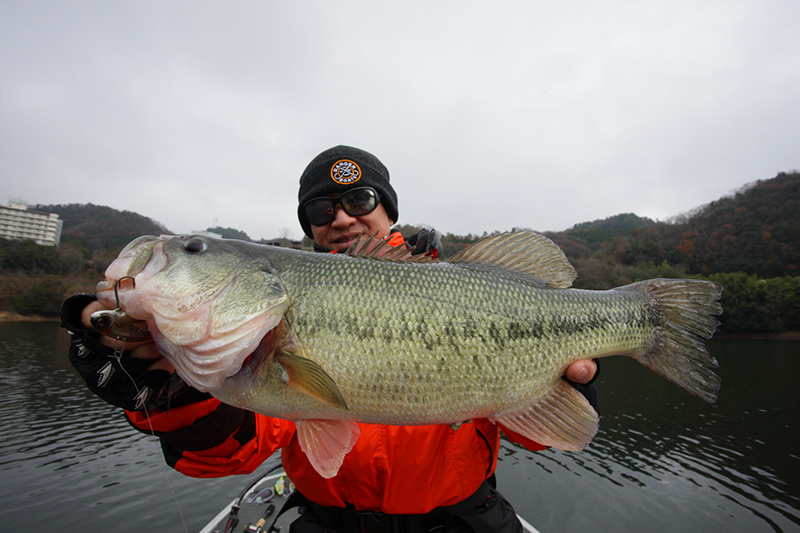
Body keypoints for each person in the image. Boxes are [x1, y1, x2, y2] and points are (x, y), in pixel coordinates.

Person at [62, 145, 598, 532]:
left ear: (389, 209)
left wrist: (574, 380)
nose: (340, 218)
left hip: (464, 521)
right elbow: (235, 452)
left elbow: (538, 435)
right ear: (309, 229)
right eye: (321, 210)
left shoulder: (473, 288)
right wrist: (174, 396)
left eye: (359, 200)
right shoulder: (257, 336)